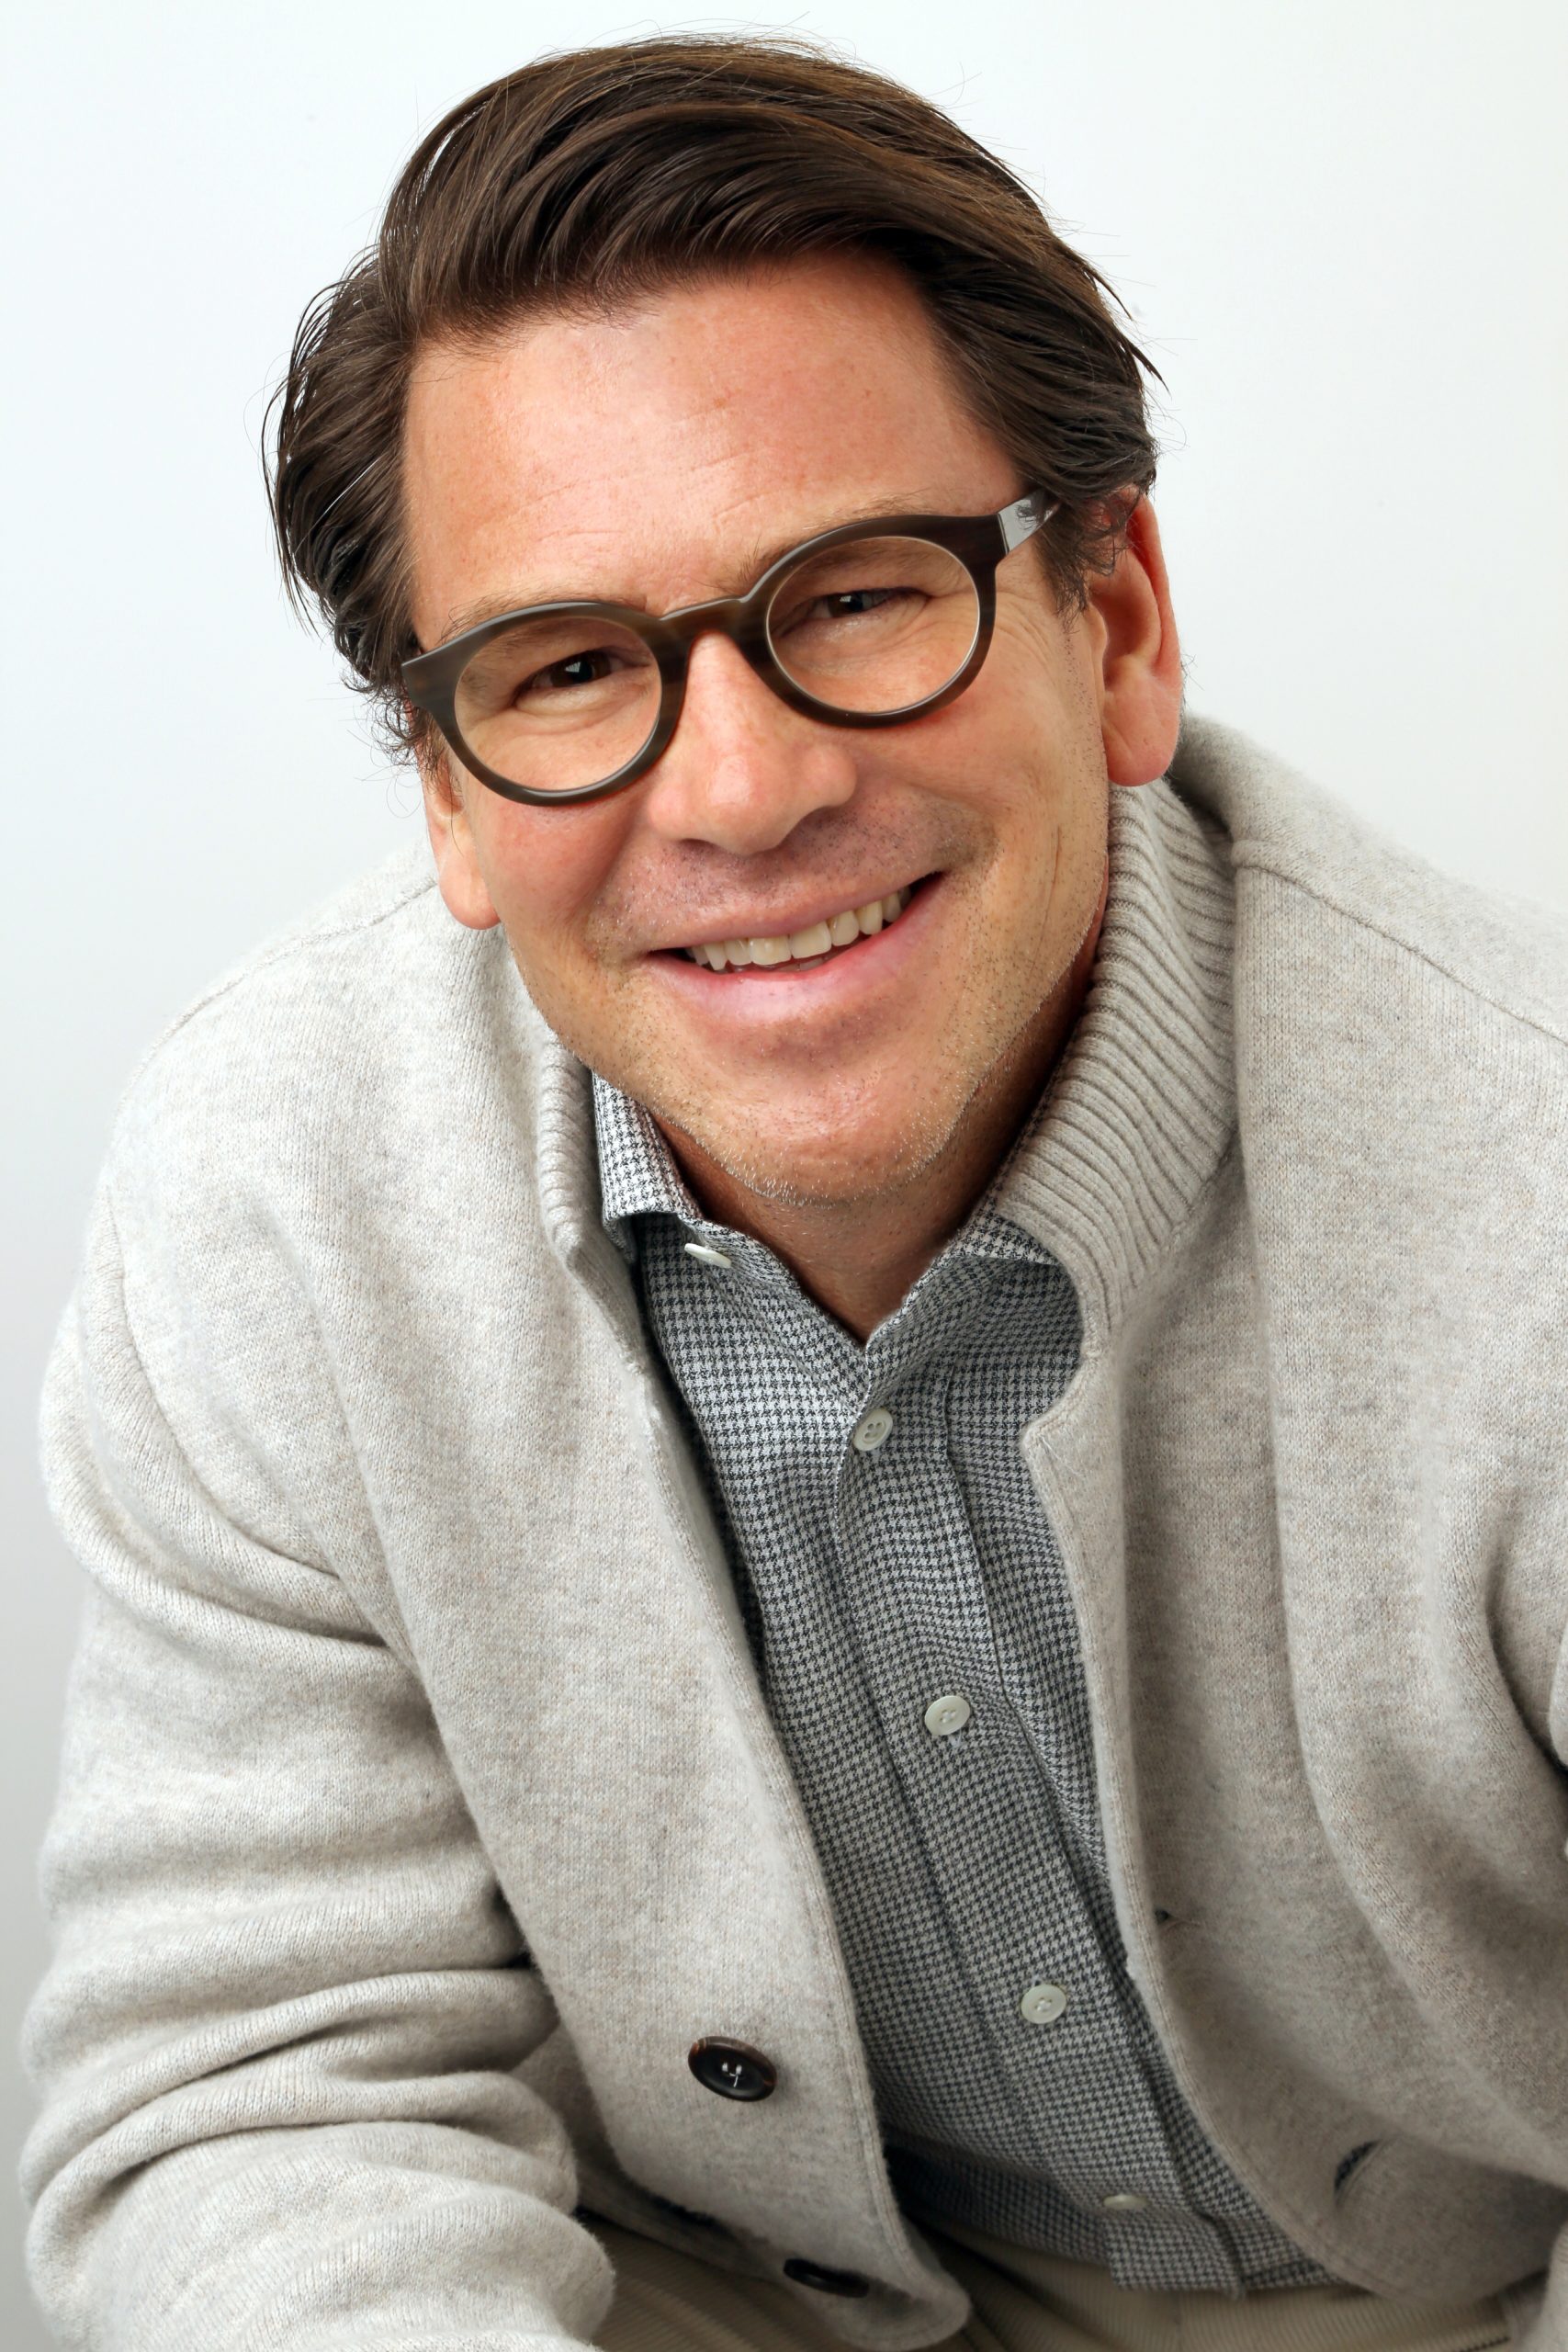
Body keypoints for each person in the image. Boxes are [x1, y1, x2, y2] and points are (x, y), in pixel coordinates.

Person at [19, 32, 1568, 2352]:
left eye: (851, 596)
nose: (738, 793)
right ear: (444, 794)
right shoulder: (271, 1197)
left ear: (1115, 625)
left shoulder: (1532, 1193)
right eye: (564, 666)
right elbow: (261, 2093)